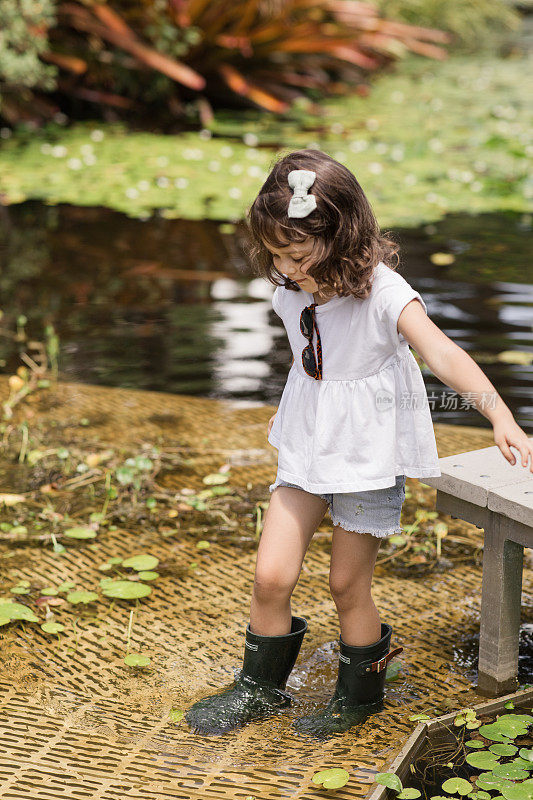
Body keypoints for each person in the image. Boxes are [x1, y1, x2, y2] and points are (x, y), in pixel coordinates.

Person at [184, 149, 533, 740]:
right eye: (276, 253)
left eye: (298, 253)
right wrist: (292, 271)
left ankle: (360, 694)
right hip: (307, 449)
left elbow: (442, 353)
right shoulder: (289, 292)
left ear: (341, 233)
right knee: (271, 575)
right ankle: (258, 688)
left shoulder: (384, 293)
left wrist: (500, 414)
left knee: (347, 585)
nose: (288, 267)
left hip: (369, 457)